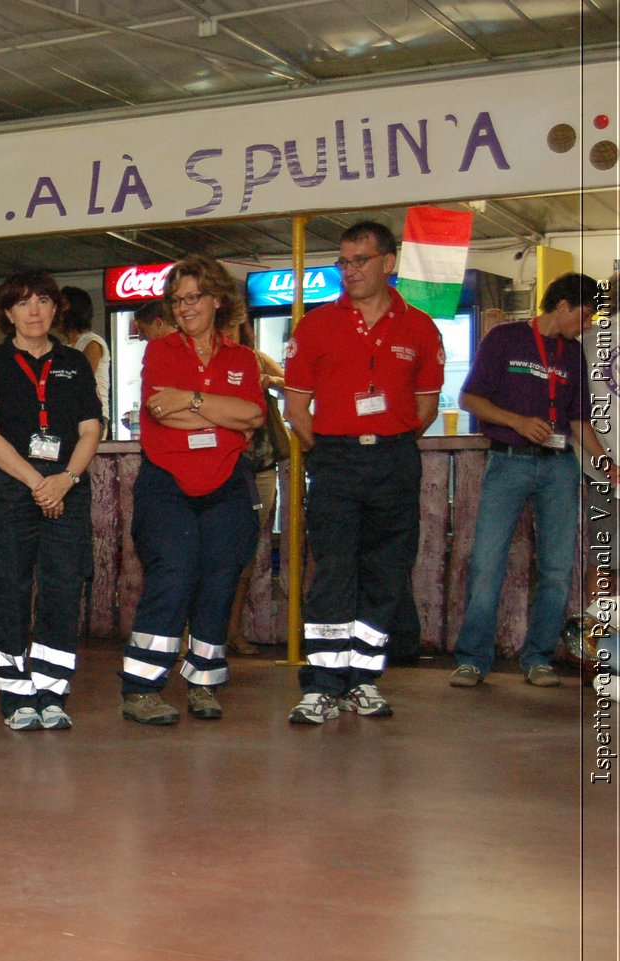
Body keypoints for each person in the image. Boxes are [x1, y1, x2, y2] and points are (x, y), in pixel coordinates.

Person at [283, 219, 443, 725]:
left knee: (385, 572)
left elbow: (426, 407)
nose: (349, 270)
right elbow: (296, 408)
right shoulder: (315, 326)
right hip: (334, 459)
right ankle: (323, 684)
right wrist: (331, 447)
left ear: (387, 263)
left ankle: (364, 680)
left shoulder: (419, 326)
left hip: (394, 460)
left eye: (360, 260)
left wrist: (387, 439)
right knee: (332, 569)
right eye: (343, 261)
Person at [119, 255, 264, 726]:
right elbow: (163, 412)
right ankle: (141, 688)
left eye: (193, 297)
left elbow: (255, 417)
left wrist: (193, 401)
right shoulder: (160, 351)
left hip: (227, 485)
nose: (184, 308)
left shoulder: (242, 358)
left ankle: (204, 682)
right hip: (167, 485)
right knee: (174, 573)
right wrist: (223, 414)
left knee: (221, 579)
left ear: (216, 299)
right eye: (177, 300)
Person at [451, 272, 612, 688]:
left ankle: (538, 658)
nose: (589, 322)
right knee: (488, 562)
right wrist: (517, 421)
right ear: (563, 305)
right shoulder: (505, 338)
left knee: (557, 567)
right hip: (508, 461)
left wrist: (605, 460)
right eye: (586, 313)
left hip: (559, 466)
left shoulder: (574, 354)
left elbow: (577, 418)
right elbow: (471, 399)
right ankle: (472, 660)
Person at [0, 270, 102, 731]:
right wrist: (37, 482)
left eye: (44, 301)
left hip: (66, 489)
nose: (34, 311)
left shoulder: (75, 362)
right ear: (8, 313)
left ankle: (51, 690)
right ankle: (15, 694)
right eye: (24, 302)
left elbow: (91, 430)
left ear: (55, 310)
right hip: (13, 487)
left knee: (62, 590)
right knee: (9, 587)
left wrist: (65, 479)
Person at [226, 321, 288, 656]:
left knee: (246, 550)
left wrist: (270, 380)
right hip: (222, 462)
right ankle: (196, 634)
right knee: (211, 551)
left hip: (260, 464)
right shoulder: (206, 359)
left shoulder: (255, 359)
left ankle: (233, 630)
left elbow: (293, 385)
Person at [59, 285, 110, 423]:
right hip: (71, 415)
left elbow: (81, 381)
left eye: (61, 305)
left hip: (92, 416)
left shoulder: (92, 342)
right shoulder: (63, 345)